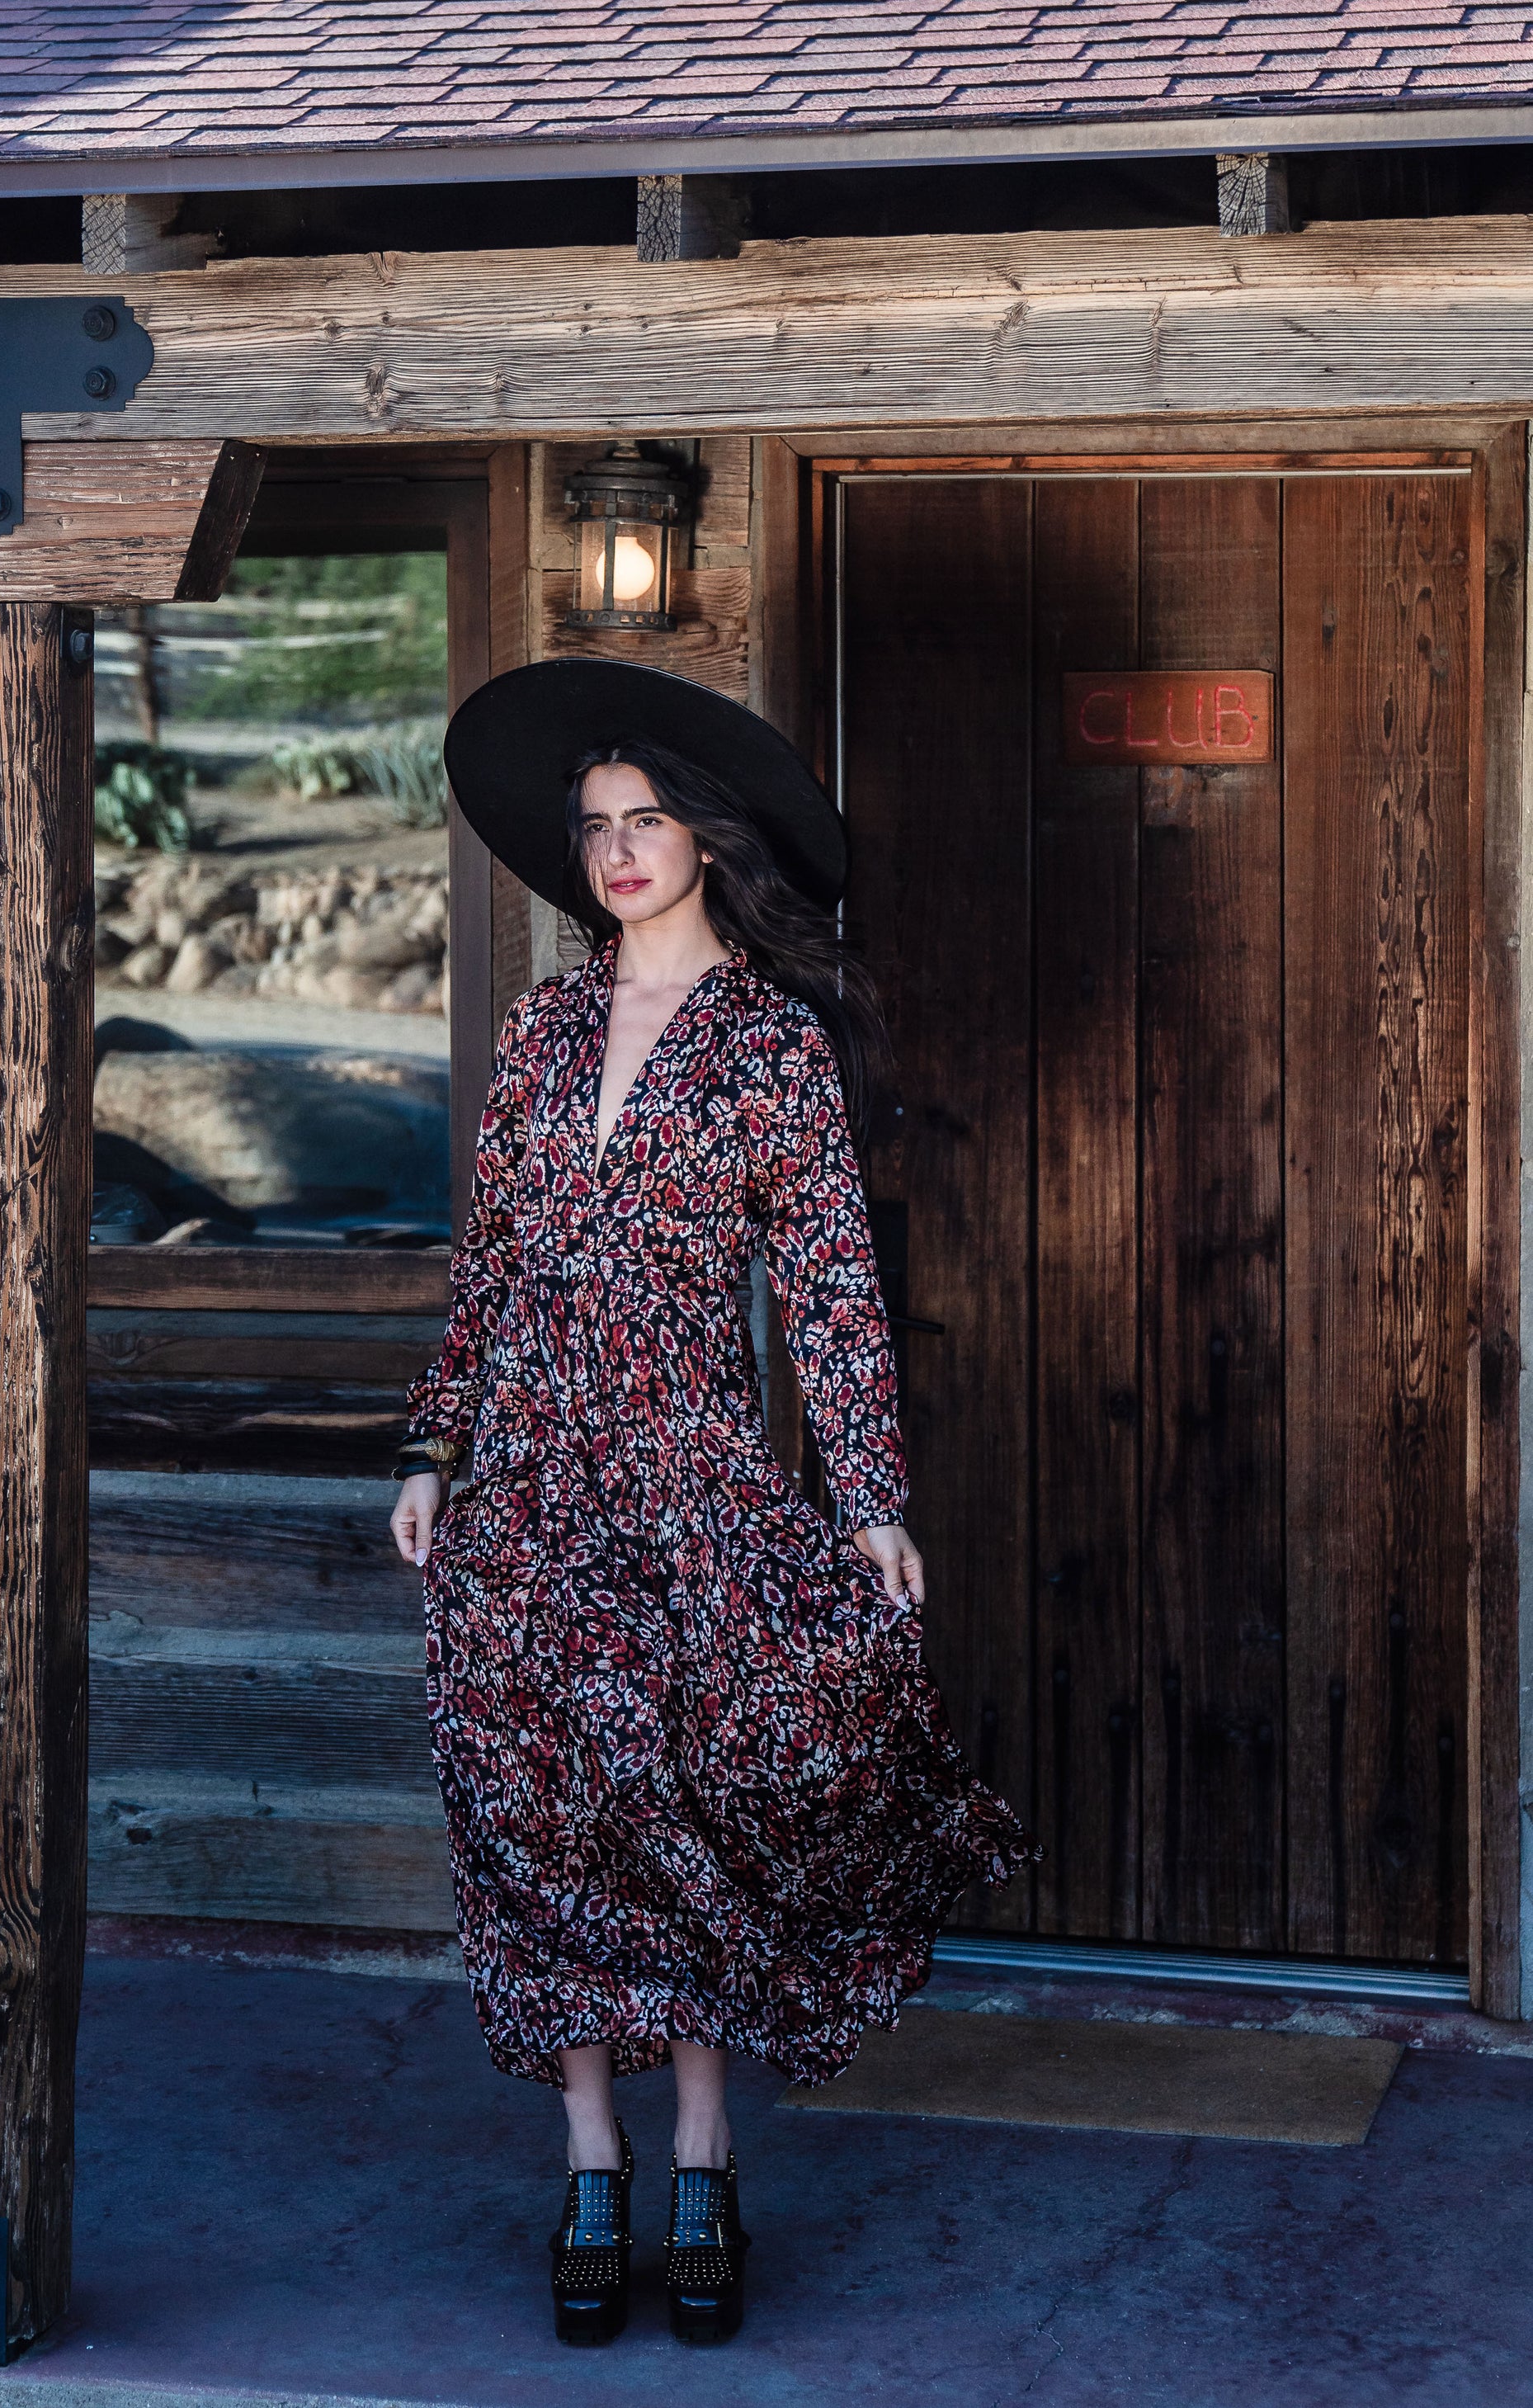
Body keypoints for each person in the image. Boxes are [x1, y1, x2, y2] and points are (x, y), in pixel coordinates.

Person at [390, 660, 1037, 2350]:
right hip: (526, 1487)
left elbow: (828, 1291)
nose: (615, 849)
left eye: (645, 820)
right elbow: (491, 1267)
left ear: (701, 839)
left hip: (688, 1479)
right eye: (594, 826)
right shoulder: (539, 1027)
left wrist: (871, 1499)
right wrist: (428, 1450)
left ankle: (702, 2151)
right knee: (533, 1807)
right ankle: (588, 2158)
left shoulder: (769, 1043)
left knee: (681, 1806)